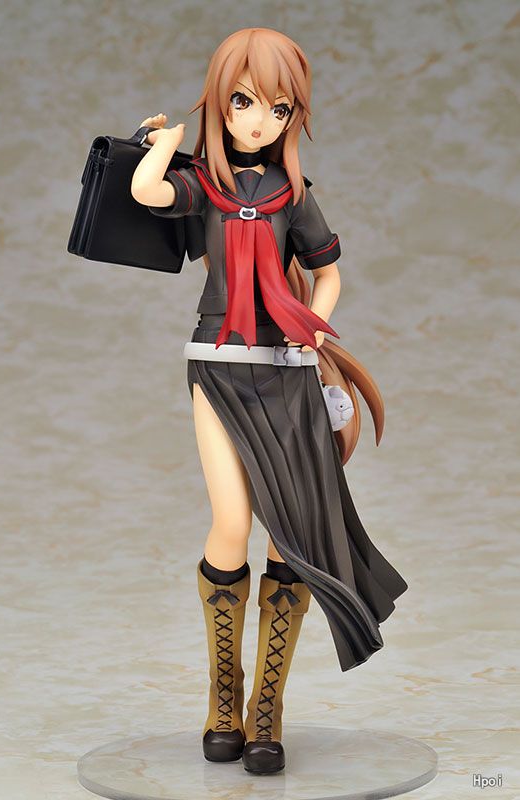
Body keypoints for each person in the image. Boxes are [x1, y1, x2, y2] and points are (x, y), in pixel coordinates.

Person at [131, 27, 408, 776]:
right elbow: (147, 192)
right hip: (218, 367)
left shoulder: (294, 195)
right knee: (231, 522)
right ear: (221, 103)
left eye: (278, 109)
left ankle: (266, 711)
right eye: (245, 102)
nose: (259, 121)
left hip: (285, 370)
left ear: (293, 117)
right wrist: (165, 145)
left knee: (290, 536)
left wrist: (312, 329)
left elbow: (328, 270)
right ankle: (223, 698)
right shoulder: (204, 185)